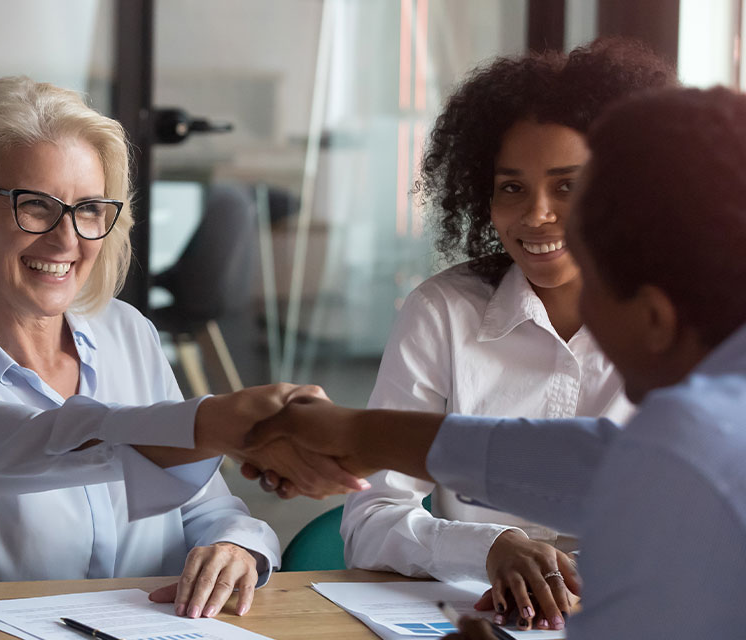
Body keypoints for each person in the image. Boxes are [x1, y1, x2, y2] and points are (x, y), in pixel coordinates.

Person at [243, 86, 746, 639]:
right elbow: (580, 463)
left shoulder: (691, 438)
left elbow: (603, 472)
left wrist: (348, 433)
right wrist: (351, 432)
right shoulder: (711, 417)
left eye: (596, 293)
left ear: (655, 318)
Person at [0, 76, 360, 618]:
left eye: (90, 209)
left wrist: (234, 546)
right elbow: (39, 443)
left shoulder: (127, 332)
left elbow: (206, 505)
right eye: (35, 206)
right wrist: (220, 422)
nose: (66, 239)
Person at [340, 39, 674, 631]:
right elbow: (369, 520)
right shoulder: (441, 312)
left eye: (568, 186)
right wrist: (488, 547)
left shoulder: (687, 324)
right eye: (511, 187)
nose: (536, 214)